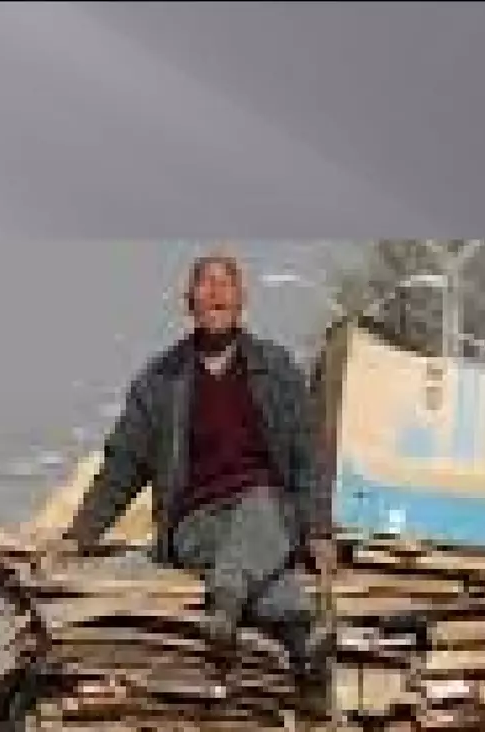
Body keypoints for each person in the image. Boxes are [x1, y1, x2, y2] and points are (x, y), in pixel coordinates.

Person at [60, 250, 335, 681]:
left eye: (226, 283)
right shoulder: (160, 382)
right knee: (261, 554)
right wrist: (80, 536)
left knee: (262, 510)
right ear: (189, 300)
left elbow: (309, 455)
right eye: (206, 284)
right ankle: (298, 631)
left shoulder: (276, 370)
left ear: (242, 299)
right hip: (196, 523)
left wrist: (318, 529)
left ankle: (228, 602)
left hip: (270, 511)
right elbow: (122, 467)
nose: (216, 293)